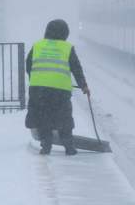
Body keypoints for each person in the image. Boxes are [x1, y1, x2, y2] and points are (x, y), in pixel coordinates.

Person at [25, 19, 90, 155]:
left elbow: (28, 64)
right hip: (60, 91)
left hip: (38, 90)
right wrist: (83, 86)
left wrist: (36, 78)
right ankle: (69, 147)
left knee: (43, 117)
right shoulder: (67, 47)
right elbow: (76, 68)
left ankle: (46, 145)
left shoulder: (38, 45)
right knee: (64, 118)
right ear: (65, 33)